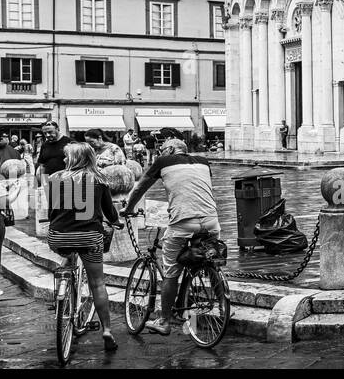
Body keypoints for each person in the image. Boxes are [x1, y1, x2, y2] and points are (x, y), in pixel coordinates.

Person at [122, 133, 221, 336]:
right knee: (211, 262)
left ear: (168, 151)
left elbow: (140, 187)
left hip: (183, 222)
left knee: (171, 271)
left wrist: (128, 208)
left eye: (162, 150)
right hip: (211, 220)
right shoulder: (203, 161)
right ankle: (223, 305)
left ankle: (164, 321)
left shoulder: (163, 161)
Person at [46, 142, 122, 352]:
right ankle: (107, 330)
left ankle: (63, 289)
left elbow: (53, 211)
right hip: (89, 237)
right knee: (97, 283)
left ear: (73, 159)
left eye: (66, 156)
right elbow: (110, 213)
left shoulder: (54, 178)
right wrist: (116, 221)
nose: (63, 160)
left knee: (67, 254)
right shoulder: (99, 179)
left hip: (58, 237)